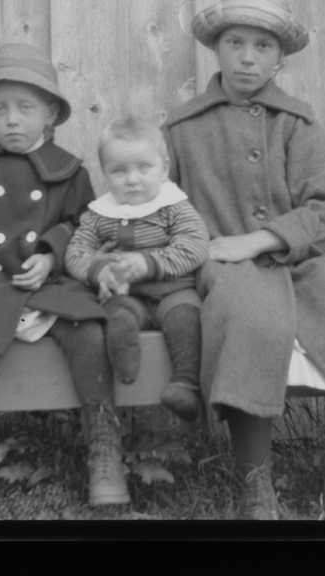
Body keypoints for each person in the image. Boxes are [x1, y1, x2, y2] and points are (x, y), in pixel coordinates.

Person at [162, 0, 325, 520]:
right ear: (217, 48)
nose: (247, 57)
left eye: (262, 47)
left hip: (314, 260)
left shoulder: (298, 122)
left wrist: (262, 239)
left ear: (280, 58)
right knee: (247, 324)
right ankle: (256, 491)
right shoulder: (185, 128)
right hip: (229, 267)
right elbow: (166, 212)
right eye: (235, 42)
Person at [0, 44, 130, 518]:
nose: (12, 119)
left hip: (47, 285)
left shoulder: (69, 172)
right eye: (0, 108)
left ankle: (104, 452)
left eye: (25, 107)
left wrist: (52, 253)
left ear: (50, 113)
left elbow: (87, 226)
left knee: (90, 330)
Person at [65, 115, 209, 421]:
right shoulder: (101, 214)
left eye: (144, 168)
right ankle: (125, 365)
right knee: (117, 315)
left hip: (173, 290)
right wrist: (97, 271)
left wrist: (149, 262)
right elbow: (76, 251)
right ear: (104, 173)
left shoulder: (174, 207)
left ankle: (186, 383)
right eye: (119, 171)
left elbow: (195, 246)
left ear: (164, 168)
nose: (133, 179)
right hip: (126, 293)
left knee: (186, 317)